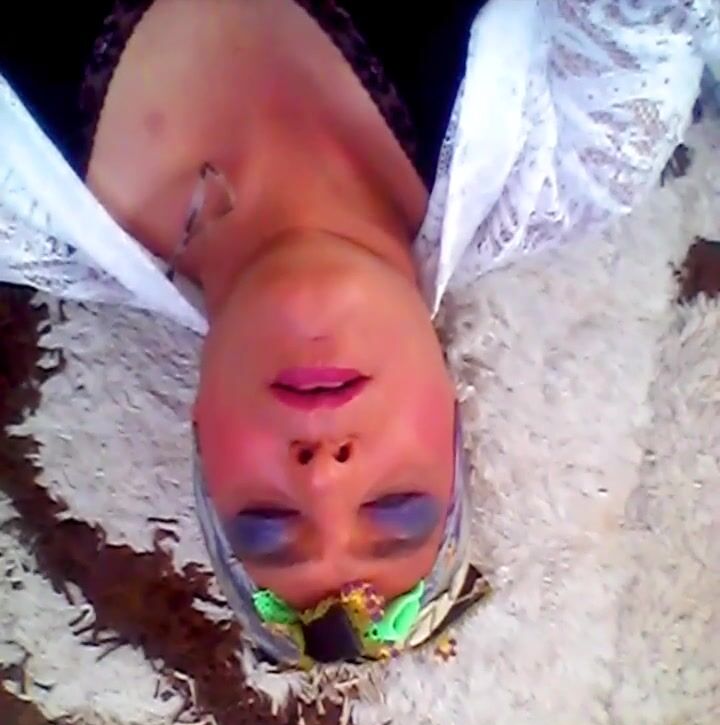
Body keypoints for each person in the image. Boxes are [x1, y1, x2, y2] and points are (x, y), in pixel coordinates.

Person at [1, 0, 718, 670]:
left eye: (268, 520)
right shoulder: (580, 155)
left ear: (200, 441)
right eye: (395, 504)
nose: (325, 472)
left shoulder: (17, 215)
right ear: (453, 415)